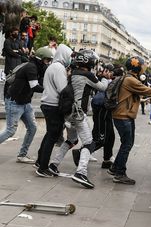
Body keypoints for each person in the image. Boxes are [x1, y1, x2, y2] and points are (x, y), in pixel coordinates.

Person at [48, 50, 108, 189]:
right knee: (89, 143)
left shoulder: (73, 73)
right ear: (90, 62)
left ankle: (53, 164)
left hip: (69, 112)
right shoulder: (87, 74)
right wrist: (104, 77)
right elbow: (102, 87)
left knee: (72, 140)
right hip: (78, 114)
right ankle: (81, 172)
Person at [107, 56, 151, 185]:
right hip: (123, 116)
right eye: (142, 66)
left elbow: (129, 96)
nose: (144, 69)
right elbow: (149, 90)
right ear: (137, 67)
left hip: (123, 115)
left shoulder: (128, 78)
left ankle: (115, 167)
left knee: (126, 143)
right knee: (127, 145)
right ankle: (119, 173)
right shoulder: (131, 80)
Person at [0, 47, 53, 163]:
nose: (48, 63)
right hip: (15, 102)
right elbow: (34, 86)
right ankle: (22, 154)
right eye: (47, 60)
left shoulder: (38, 67)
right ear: (40, 59)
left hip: (25, 102)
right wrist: (50, 90)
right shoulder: (31, 67)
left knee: (32, 128)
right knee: (10, 131)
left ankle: (22, 155)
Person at [34, 44, 73, 176]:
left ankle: (40, 161)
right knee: (52, 136)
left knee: (49, 134)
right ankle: (43, 167)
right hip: (52, 105)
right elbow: (63, 89)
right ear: (64, 55)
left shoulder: (54, 66)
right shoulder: (58, 68)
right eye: (70, 56)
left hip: (48, 103)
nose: (70, 59)